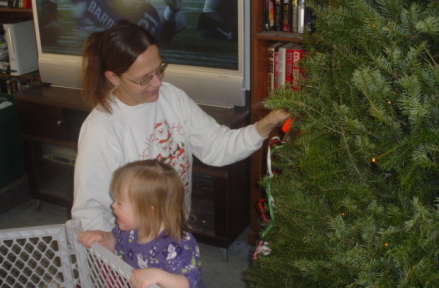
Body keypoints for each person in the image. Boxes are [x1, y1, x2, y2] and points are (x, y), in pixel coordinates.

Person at [72, 20, 289, 232]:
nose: (157, 82)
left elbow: (216, 146)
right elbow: (89, 212)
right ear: (113, 78)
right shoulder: (100, 129)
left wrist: (265, 125)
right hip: (130, 247)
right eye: (144, 78)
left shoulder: (171, 96)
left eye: (159, 69)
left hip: (174, 232)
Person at [77, 159, 209, 288]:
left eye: (120, 203)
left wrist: (159, 276)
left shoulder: (178, 244)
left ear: (148, 210)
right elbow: (114, 241)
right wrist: (102, 236)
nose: (113, 206)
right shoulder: (130, 230)